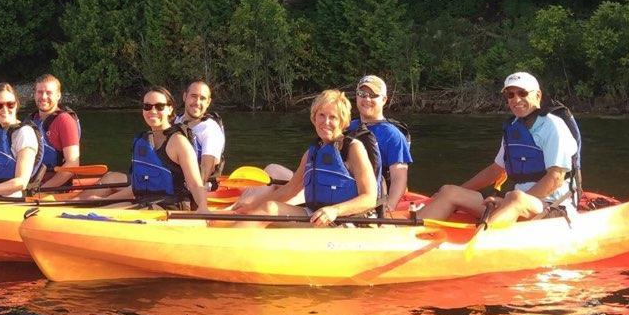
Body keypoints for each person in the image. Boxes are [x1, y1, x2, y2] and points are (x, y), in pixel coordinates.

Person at [415, 72, 578, 229]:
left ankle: (484, 241)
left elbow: (556, 177)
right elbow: (496, 171)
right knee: (450, 191)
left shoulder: (553, 126)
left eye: (522, 93)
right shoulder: (514, 127)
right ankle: (407, 232)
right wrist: (461, 189)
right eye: (510, 95)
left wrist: (509, 201)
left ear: (538, 95)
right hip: (514, 203)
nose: (516, 99)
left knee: (516, 198)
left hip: (552, 206)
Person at [230, 89, 379, 227]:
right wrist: (254, 205)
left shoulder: (353, 148)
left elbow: (370, 198)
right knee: (270, 208)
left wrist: (335, 211)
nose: (325, 122)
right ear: (314, 118)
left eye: (333, 117)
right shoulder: (312, 153)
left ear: (343, 122)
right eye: (321, 115)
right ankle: (226, 241)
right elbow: (289, 190)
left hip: (346, 219)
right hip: (314, 215)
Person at [91, 87, 208, 211]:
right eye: (147, 106)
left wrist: (203, 206)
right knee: (96, 212)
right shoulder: (143, 141)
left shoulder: (178, 142)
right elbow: (137, 188)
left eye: (159, 106)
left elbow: (195, 184)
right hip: (145, 204)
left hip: (171, 208)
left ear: (170, 109)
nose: (152, 111)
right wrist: (103, 201)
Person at [347, 75, 413, 213]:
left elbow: (399, 177)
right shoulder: (348, 127)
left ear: (384, 100)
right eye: (362, 94)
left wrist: (389, 206)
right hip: (348, 192)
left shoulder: (393, 135)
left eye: (373, 95)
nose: (367, 99)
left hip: (376, 199)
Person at [32, 74, 81, 189]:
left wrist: (43, 190)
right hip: (31, 184)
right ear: (34, 94)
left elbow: (72, 164)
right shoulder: (32, 120)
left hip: (55, 188)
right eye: (39, 92)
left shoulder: (65, 121)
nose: (43, 97)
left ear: (58, 95)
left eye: (49, 93)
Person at [174, 80, 226, 187]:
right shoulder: (174, 122)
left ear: (208, 102)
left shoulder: (210, 129)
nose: (197, 102)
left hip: (196, 189)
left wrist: (194, 191)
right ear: (185, 97)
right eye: (193, 96)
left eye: (202, 98)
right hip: (170, 183)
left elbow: (206, 169)